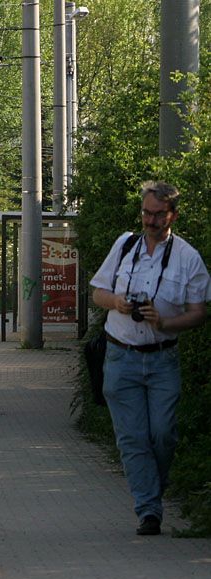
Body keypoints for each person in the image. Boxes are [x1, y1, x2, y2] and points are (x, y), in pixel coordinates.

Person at [90, 181, 210, 536]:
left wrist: (166, 321)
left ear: (172, 215)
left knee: (162, 434)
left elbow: (199, 313)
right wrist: (117, 302)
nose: (150, 220)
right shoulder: (125, 245)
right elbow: (98, 292)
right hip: (120, 355)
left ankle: (152, 492)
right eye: (146, 212)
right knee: (132, 438)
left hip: (161, 359)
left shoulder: (188, 258)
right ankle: (149, 510)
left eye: (158, 214)